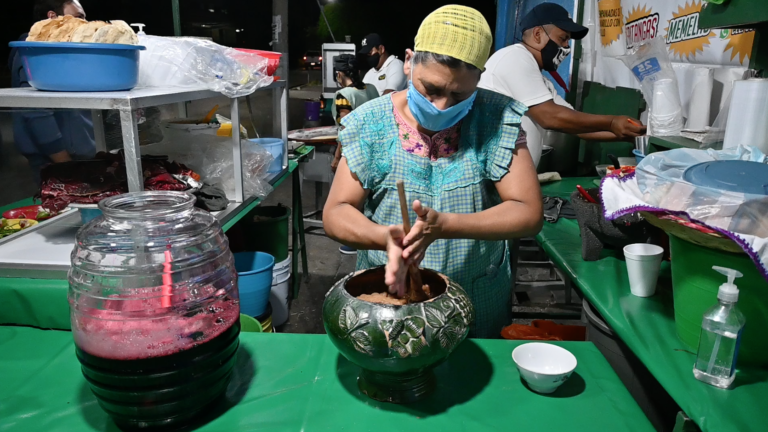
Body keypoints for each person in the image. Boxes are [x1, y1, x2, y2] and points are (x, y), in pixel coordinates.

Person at [324, 6, 543, 338]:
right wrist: (385, 238)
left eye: (459, 95)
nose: (442, 106)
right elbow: (336, 212)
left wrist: (446, 226)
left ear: (479, 78)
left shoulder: (496, 118)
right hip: (390, 299)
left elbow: (528, 212)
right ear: (409, 62)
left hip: (475, 294)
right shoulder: (370, 122)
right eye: (431, 89)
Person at [479, 3, 646, 167]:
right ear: (537, 34)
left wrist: (630, 132)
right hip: (493, 176)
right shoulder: (514, 58)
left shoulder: (542, 82)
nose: (566, 46)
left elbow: (576, 126)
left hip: (514, 177)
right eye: (563, 38)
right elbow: (550, 117)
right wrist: (611, 122)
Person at [9, 0, 95, 184]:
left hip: (79, 158)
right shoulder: (35, 50)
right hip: (58, 162)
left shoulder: (63, 49)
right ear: (52, 16)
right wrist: (64, 163)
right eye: (79, 17)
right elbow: (35, 110)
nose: (85, 24)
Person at [330, 54, 379, 256]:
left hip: (354, 152)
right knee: (371, 196)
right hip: (376, 148)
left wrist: (337, 156)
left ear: (339, 74)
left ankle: (354, 241)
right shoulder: (372, 89)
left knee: (351, 200)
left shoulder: (344, 95)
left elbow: (346, 128)